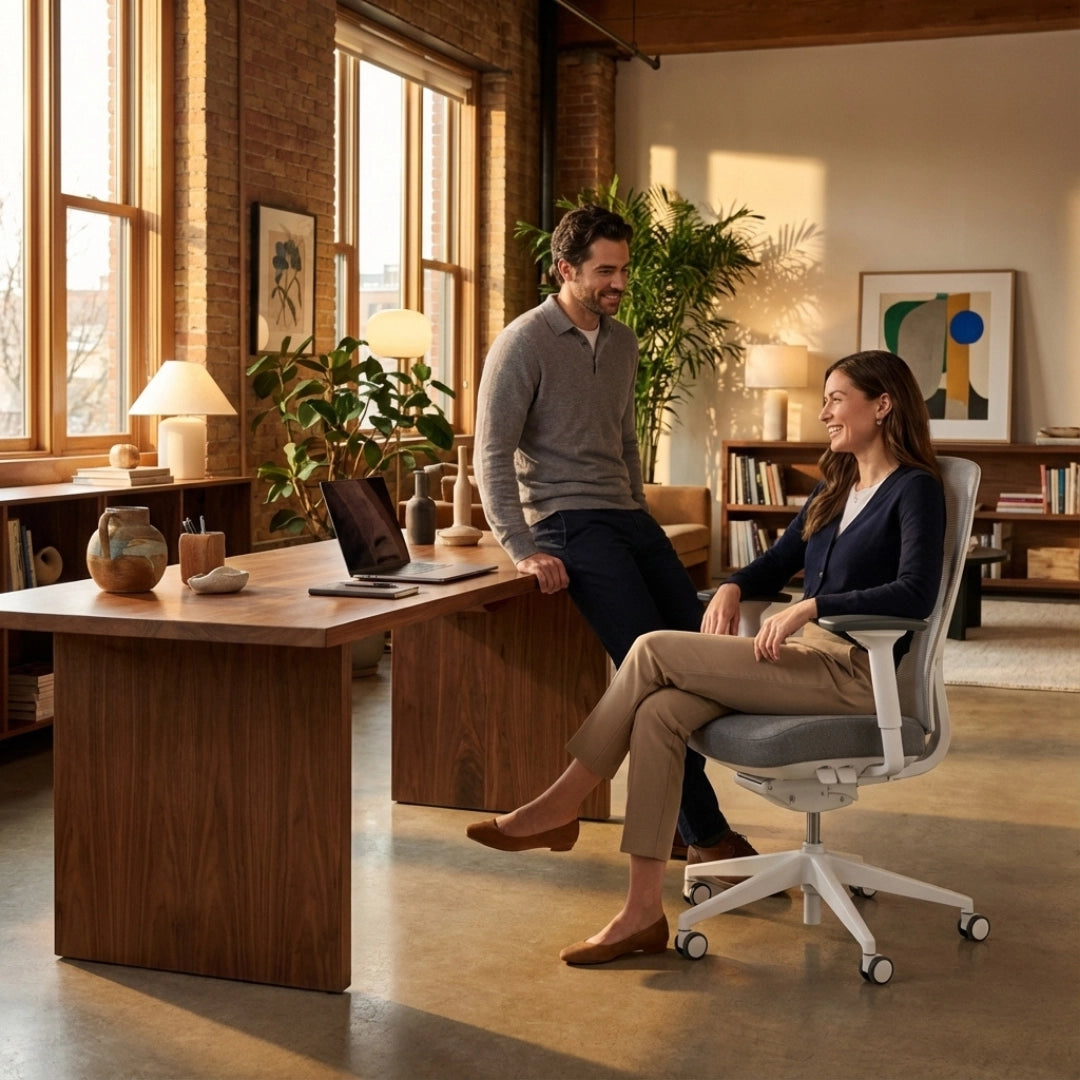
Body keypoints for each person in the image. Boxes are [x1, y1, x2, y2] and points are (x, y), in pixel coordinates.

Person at [467, 349, 947, 965]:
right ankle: (641, 912)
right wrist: (732, 585)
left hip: (853, 673)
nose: (824, 410)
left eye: (836, 398)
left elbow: (916, 592)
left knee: (649, 648)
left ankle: (562, 802)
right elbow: (774, 564)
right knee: (659, 712)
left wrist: (811, 606)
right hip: (801, 660)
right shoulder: (838, 485)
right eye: (825, 398)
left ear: (881, 406)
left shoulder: (915, 489)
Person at [473, 203, 755, 871]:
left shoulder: (623, 342)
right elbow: (492, 453)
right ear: (565, 268)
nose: (618, 283)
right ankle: (706, 832)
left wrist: (639, 510)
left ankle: (687, 827)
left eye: (624, 270)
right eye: (605, 270)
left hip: (629, 519)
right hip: (566, 523)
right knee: (655, 672)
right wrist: (521, 547)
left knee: (702, 661)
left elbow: (626, 440)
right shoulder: (522, 342)